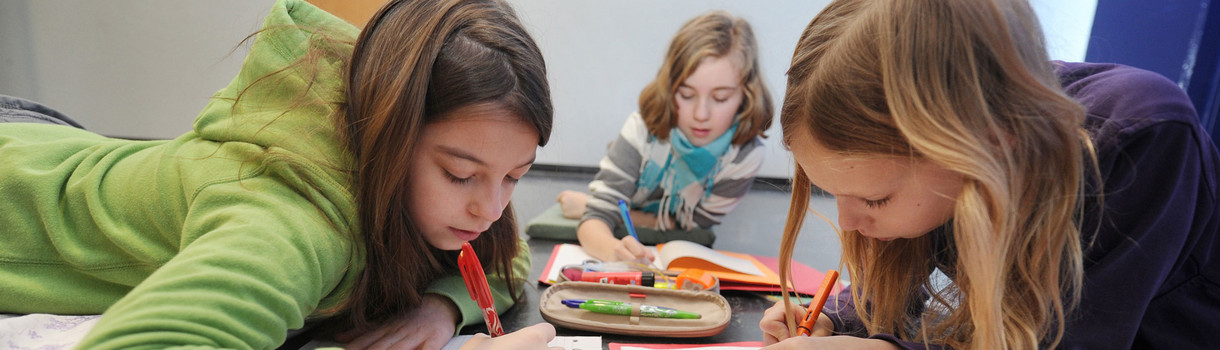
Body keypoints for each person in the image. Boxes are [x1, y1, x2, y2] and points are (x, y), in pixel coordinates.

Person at [0, 0, 563, 349]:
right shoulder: (295, 221)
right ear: (389, 137)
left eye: (515, 176)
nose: (490, 209)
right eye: (461, 175)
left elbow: (504, 252)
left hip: (55, 143)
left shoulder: (428, 172)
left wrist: (440, 309)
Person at [758, 0, 1219, 349]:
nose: (849, 223)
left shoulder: (1144, 140)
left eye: (875, 200)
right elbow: (913, 268)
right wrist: (840, 319)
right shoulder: (959, 155)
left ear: (984, 147)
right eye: (832, 192)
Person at [557, 10, 774, 262]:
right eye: (686, 94)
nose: (701, 114)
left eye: (720, 98)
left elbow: (695, 226)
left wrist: (592, 206)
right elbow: (593, 222)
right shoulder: (641, 130)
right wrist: (613, 252)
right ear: (669, 88)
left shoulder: (747, 155)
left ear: (746, 95)